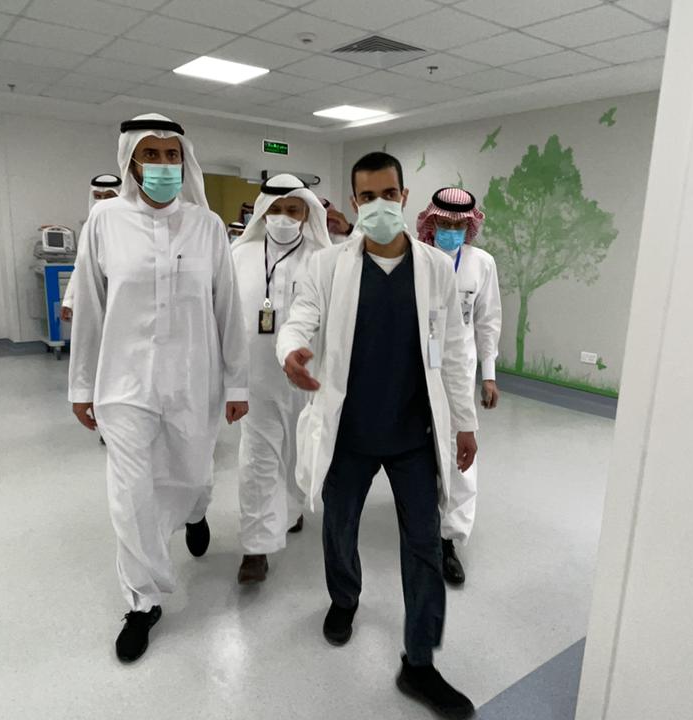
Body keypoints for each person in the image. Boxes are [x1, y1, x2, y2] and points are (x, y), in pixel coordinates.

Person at [277, 152, 478, 718]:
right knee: (339, 528)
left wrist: (464, 422)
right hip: (349, 433)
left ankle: (420, 662)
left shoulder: (435, 268)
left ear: (405, 196)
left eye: (389, 194)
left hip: (413, 434)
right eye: (367, 197)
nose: (379, 205)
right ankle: (344, 598)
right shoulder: (328, 267)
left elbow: (453, 351)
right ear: (354, 201)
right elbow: (299, 319)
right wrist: (290, 350)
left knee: (424, 545)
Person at [68, 113, 248, 663]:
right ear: (131, 161)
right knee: (130, 493)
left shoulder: (207, 226)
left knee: (192, 472)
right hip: (123, 383)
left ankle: (195, 509)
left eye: (172, 155)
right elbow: (90, 307)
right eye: (151, 154)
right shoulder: (104, 222)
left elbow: (228, 308)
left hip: (194, 378)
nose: (164, 165)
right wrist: (81, 385)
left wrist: (237, 381)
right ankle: (142, 601)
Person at [230, 174, 332, 585]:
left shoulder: (322, 259)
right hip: (255, 379)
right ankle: (255, 548)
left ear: (307, 212)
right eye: (275, 209)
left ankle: (289, 511)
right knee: (258, 460)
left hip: (307, 380)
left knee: (297, 453)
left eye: (293, 209)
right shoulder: (239, 255)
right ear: (261, 213)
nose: (284, 217)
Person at [415, 187, 502, 586]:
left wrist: (489, 374)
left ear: (470, 226)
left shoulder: (481, 264)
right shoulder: (415, 258)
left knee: (459, 452)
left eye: (458, 225)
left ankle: (448, 539)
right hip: (415, 368)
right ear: (430, 221)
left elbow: (488, 320)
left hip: (458, 371)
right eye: (443, 223)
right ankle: (418, 519)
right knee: (417, 447)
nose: (450, 230)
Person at [61, 174, 121, 322]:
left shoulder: (130, 225)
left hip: (123, 295)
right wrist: (69, 300)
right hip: (97, 295)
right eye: (97, 196)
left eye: (108, 196)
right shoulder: (89, 228)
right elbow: (82, 266)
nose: (102, 201)